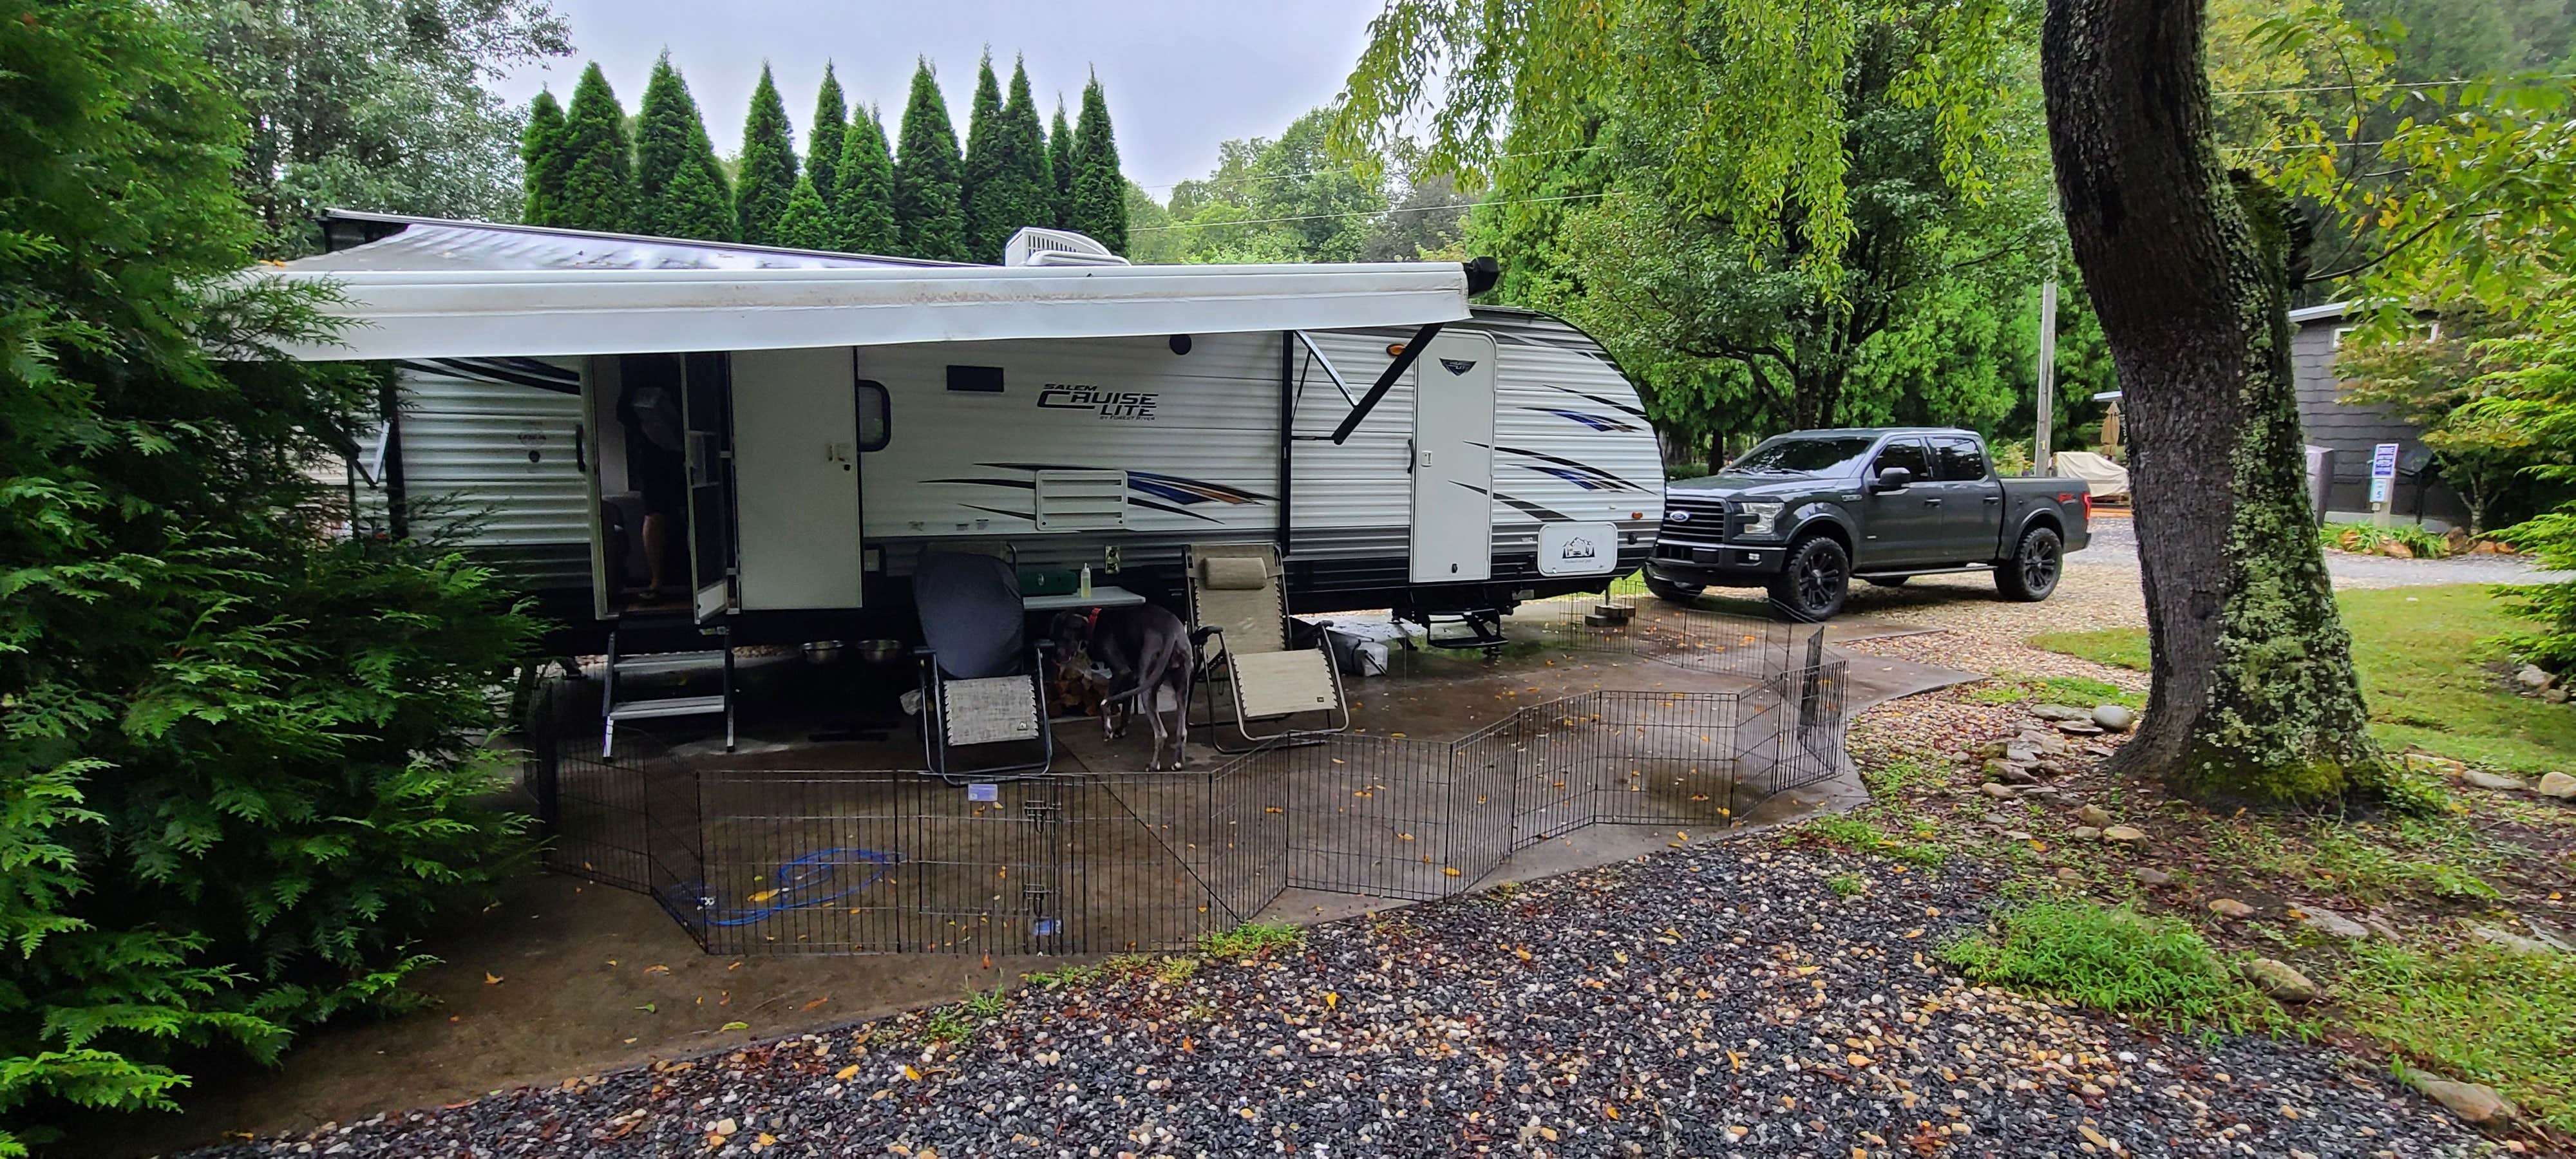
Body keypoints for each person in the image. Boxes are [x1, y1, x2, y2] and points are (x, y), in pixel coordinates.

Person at [619, 365, 688, 599]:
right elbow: (623, 413)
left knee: (692, 512)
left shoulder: (665, 367)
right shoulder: (642, 368)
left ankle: (690, 577)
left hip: (678, 451)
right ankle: (657, 580)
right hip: (654, 456)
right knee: (656, 516)